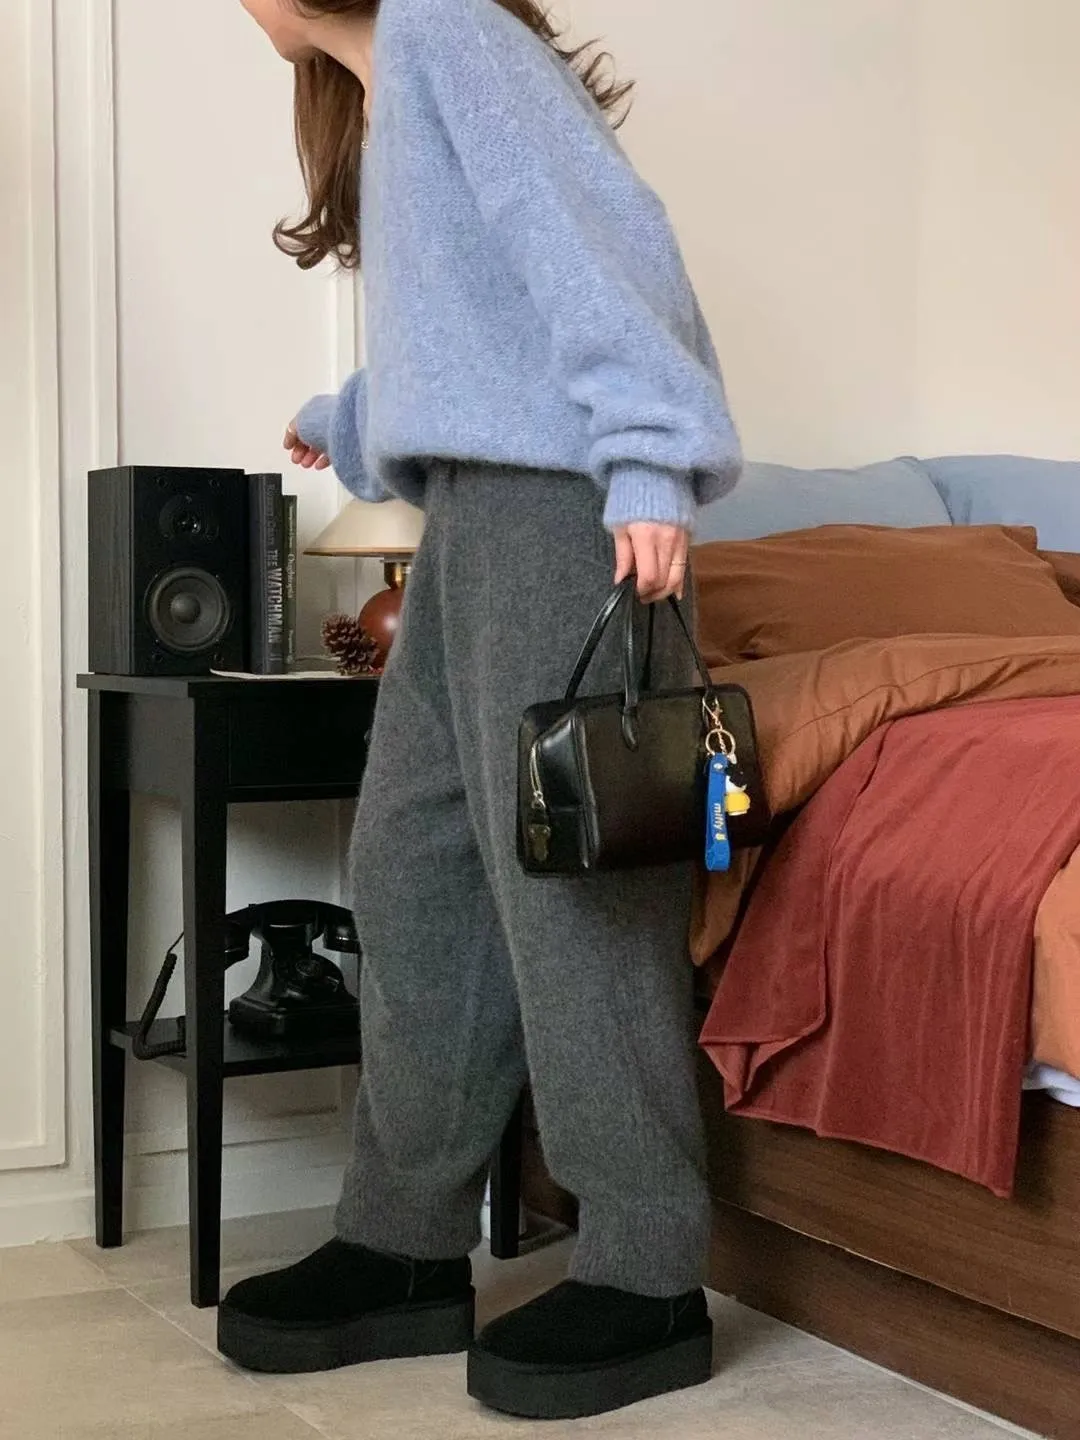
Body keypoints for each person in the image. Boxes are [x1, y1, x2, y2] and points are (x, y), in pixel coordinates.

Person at [222, 0, 741, 1420]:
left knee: (573, 891)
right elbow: (486, 325)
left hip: (562, 516)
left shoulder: (451, 27)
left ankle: (645, 1267)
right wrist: (354, 414)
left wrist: (651, 460)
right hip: (470, 517)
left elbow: (603, 241)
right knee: (415, 867)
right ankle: (404, 1243)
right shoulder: (399, 86)